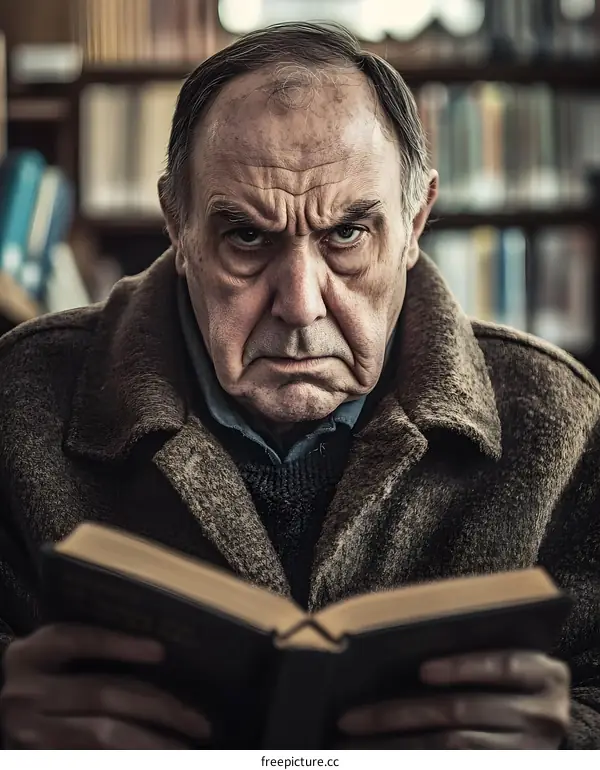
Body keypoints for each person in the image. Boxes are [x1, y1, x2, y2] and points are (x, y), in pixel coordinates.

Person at [0, 21, 598, 750]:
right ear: (176, 225)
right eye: (247, 238)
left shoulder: (564, 423)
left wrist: (569, 743)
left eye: (347, 234)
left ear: (416, 223)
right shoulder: (15, 400)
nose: (301, 304)